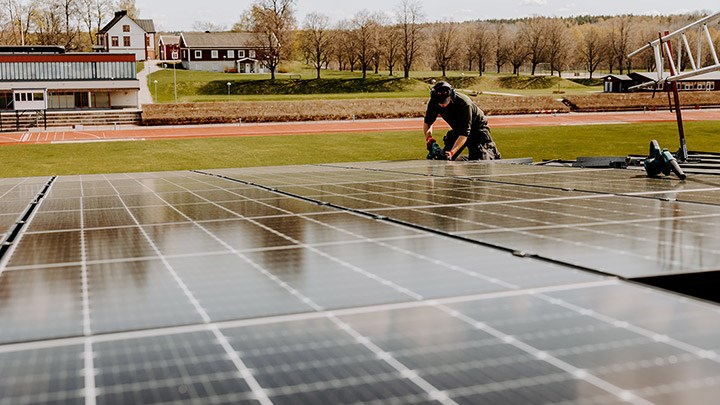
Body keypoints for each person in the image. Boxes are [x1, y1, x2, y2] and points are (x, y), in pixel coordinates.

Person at [423, 81, 501, 161]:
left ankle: (489, 154)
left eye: (445, 101)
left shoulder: (464, 104)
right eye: (440, 102)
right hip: (457, 129)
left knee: (481, 161)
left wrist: (451, 153)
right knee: (442, 158)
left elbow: (464, 134)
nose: (442, 105)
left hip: (477, 129)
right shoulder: (434, 102)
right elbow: (428, 122)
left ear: (451, 95)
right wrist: (429, 139)